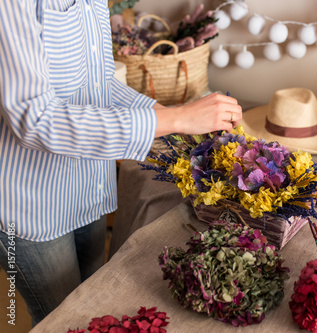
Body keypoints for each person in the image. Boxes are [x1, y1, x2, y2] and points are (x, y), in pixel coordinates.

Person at [0, 0, 242, 326]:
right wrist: (179, 118)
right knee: (60, 322)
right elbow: (36, 119)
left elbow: (100, 83)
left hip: (88, 185)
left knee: (90, 308)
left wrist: (168, 115)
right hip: (30, 205)